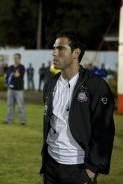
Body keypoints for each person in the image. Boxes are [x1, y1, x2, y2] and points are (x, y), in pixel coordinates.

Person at [40, 30, 115, 184]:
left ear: (76, 53)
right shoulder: (50, 84)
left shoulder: (96, 85)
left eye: (60, 48)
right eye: (54, 48)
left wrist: (92, 169)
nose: (54, 53)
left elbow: (104, 131)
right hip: (51, 164)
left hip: (79, 168)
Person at [5, 53, 26, 125]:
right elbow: (7, 74)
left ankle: (22, 121)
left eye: (17, 58)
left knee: (20, 106)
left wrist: (12, 74)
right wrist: (13, 74)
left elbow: (17, 75)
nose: (15, 59)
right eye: (14, 58)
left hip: (19, 90)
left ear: (20, 59)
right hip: (10, 89)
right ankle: (9, 120)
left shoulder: (22, 67)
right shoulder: (11, 67)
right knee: (10, 105)